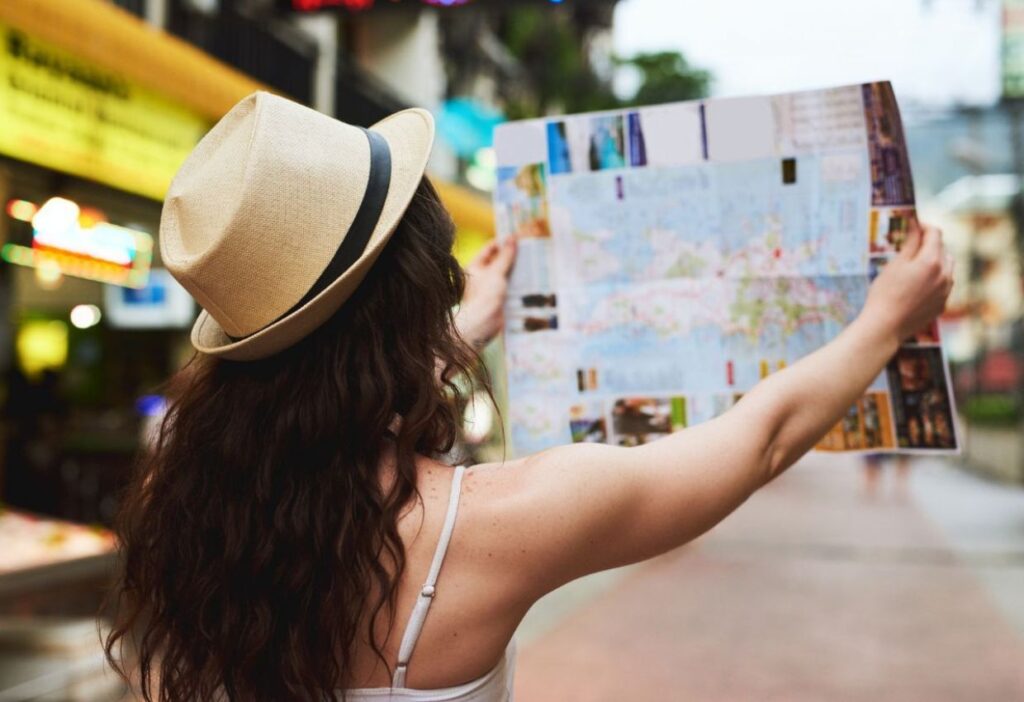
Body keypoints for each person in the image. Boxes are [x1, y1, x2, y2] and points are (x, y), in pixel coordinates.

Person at [104, 93, 953, 702]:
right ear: (408, 308)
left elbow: (328, 405)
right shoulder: (485, 528)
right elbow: (761, 440)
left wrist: (464, 326)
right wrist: (884, 320)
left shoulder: (190, 494)